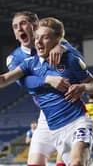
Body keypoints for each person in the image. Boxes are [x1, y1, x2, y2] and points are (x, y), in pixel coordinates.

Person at [0, 17, 93, 166]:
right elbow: (4, 79)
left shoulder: (70, 60)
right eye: (37, 38)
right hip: (51, 128)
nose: (39, 43)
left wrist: (83, 87)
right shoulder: (29, 64)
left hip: (77, 122)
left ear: (57, 40)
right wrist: (48, 79)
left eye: (45, 38)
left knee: (77, 162)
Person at [8, 11, 74, 166]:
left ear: (36, 26)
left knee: (64, 161)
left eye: (23, 23)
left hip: (68, 107)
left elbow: (78, 63)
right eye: (15, 27)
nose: (19, 29)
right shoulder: (15, 58)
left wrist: (62, 45)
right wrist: (48, 79)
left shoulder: (58, 45)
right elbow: (23, 82)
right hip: (46, 111)